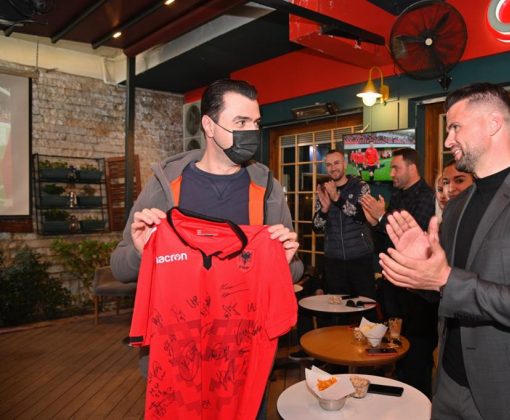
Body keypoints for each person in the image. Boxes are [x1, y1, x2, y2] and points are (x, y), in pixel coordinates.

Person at [379, 82, 510, 419]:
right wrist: (423, 270)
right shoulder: (458, 206)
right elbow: (447, 290)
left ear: (493, 123)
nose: (448, 141)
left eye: (455, 127)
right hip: (448, 384)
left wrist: (445, 279)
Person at [110, 78, 303, 417]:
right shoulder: (165, 186)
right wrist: (141, 252)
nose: (251, 132)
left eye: (256, 123)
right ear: (209, 126)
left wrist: (285, 261)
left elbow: (294, 271)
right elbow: (119, 267)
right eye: (240, 122)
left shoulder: (267, 189)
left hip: (243, 365)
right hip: (178, 363)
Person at [360, 147, 437, 396]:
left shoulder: (427, 197)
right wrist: (375, 223)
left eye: (396, 168)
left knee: (417, 358)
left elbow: (413, 242)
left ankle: (420, 405)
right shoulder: (398, 196)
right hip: (394, 288)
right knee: (397, 352)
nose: (391, 173)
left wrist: (382, 218)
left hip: (418, 293)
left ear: (412, 168)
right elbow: (385, 244)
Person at [313, 149, 376, 301]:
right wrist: (324, 211)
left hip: (360, 259)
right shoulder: (323, 190)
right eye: (329, 165)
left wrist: (337, 198)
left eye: (336, 163)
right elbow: (317, 228)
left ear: (345, 164)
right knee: (337, 308)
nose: (333, 168)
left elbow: (362, 217)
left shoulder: (361, 186)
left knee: (365, 306)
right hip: (334, 261)